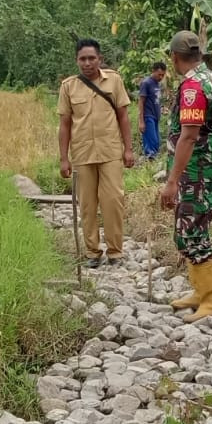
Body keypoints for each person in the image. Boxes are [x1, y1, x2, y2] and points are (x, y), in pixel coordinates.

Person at [158, 30, 212, 323]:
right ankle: (201, 291)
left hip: (195, 170)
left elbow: (188, 136)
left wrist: (172, 181)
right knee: (189, 228)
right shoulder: (209, 77)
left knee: (193, 231)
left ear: (174, 57)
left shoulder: (193, 87)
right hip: (200, 167)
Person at [58, 39, 135, 267]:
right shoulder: (68, 87)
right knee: (87, 205)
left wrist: (128, 149)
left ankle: (115, 251)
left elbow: (123, 117)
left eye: (92, 58)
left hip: (110, 152)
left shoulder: (114, 80)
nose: (87, 63)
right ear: (76, 61)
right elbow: (64, 125)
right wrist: (64, 158)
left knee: (113, 201)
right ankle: (92, 252)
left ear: (100, 59)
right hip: (82, 154)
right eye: (82, 59)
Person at [137, 62, 167, 160]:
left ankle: (153, 161)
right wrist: (141, 121)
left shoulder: (157, 84)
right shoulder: (146, 83)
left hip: (156, 117)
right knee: (151, 142)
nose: (161, 77)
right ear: (153, 71)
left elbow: (156, 100)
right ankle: (150, 161)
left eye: (163, 75)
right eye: (159, 74)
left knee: (157, 142)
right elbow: (141, 102)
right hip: (148, 116)